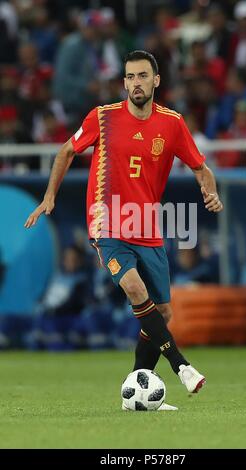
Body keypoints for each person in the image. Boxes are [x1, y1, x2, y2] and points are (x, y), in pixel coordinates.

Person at [25, 50, 223, 411]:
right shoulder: (102, 118)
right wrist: (50, 197)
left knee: (161, 312)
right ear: (125, 82)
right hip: (107, 221)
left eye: (142, 76)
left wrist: (209, 191)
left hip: (146, 226)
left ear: (156, 80)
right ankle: (182, 366)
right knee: (134, 287)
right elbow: (66, 151)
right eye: (130, 77)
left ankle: (138, 386)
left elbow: (200, 167)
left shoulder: (172, 123)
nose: (135, 83)